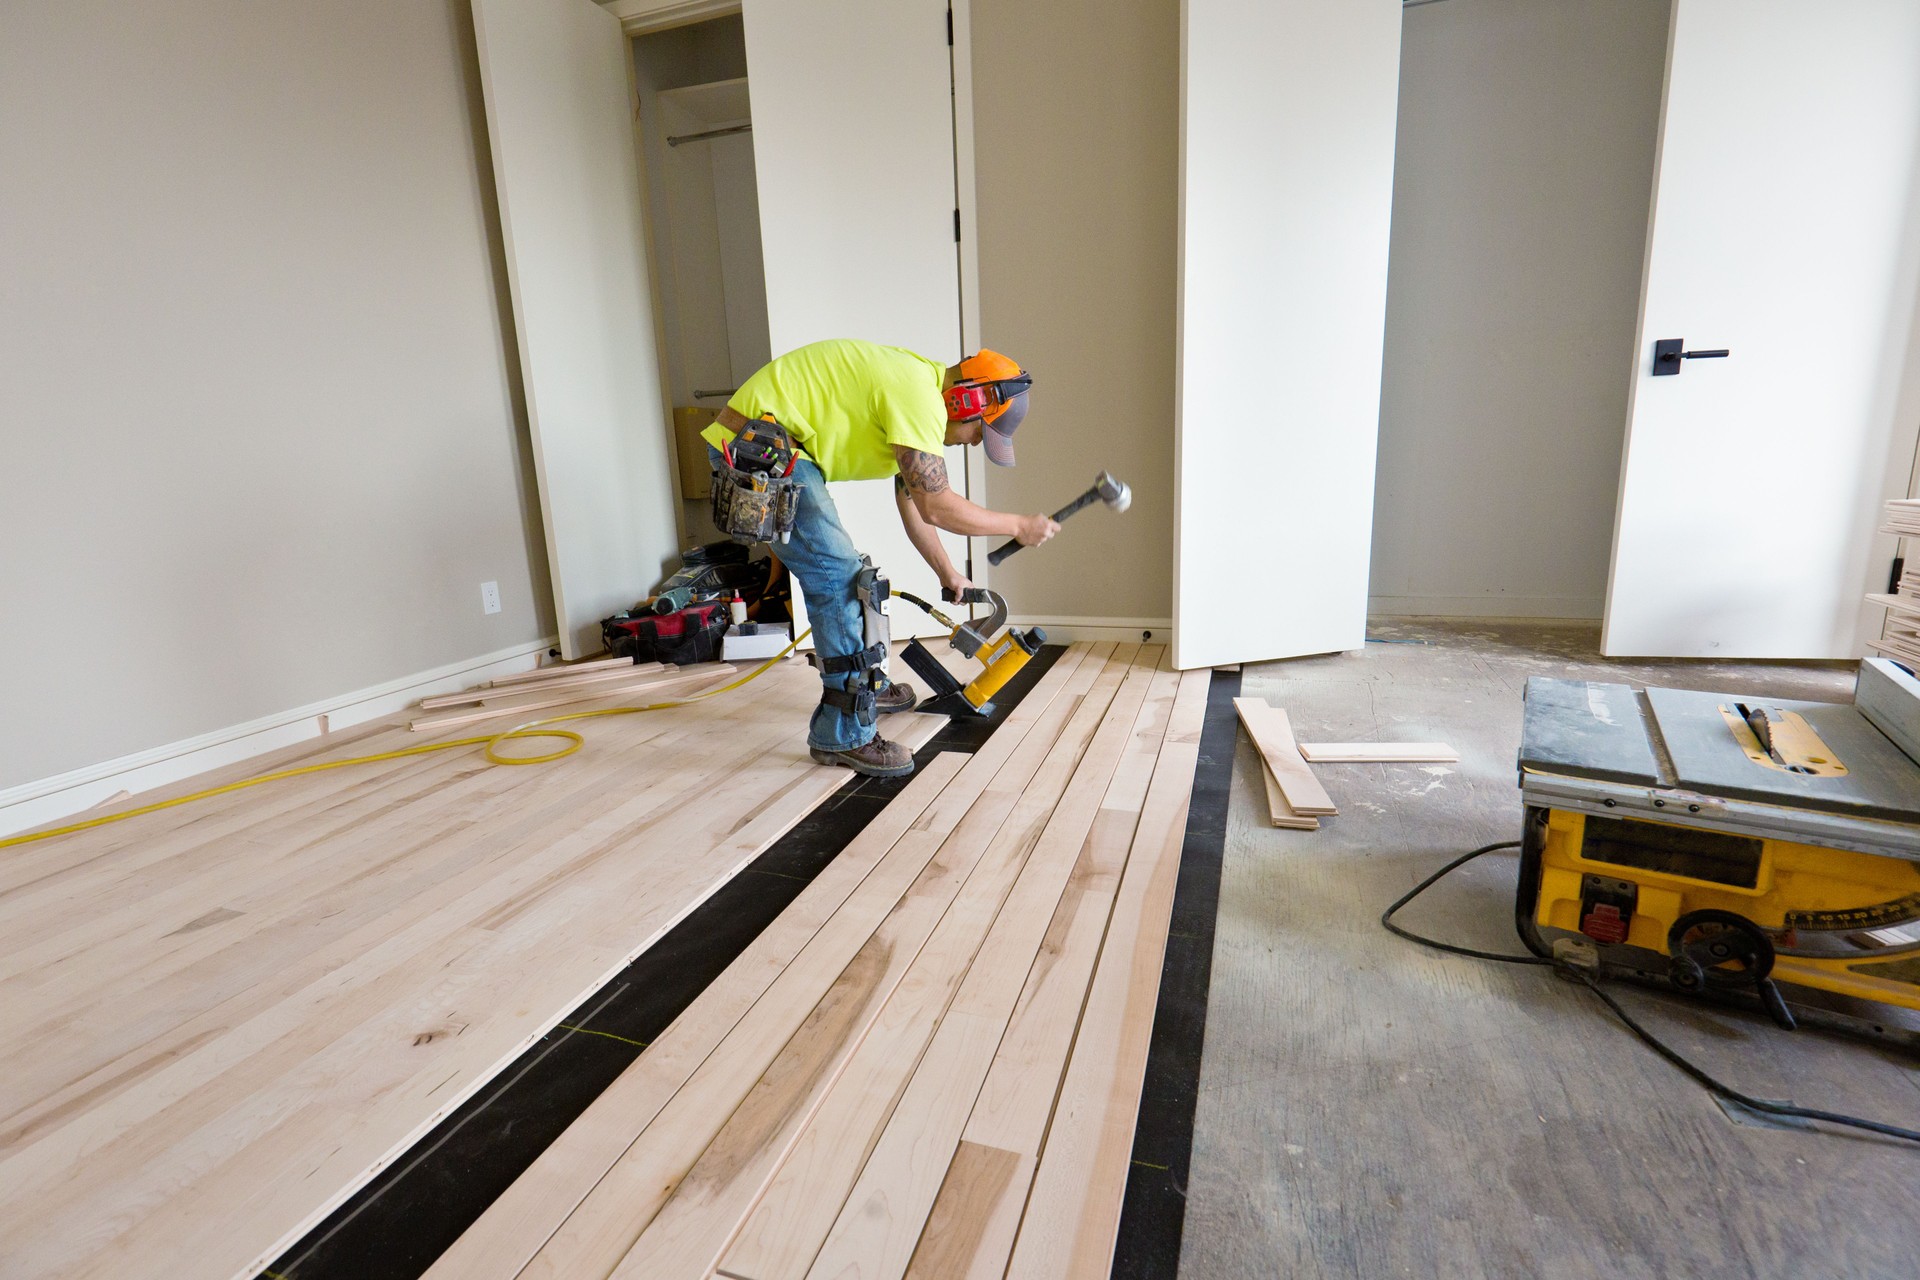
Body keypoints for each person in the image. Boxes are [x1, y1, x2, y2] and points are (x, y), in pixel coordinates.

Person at [703, 338, 1060, 778]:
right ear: (970, 400)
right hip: (760, 449)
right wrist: (1019, 525)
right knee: (838, 578)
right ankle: (844, 732)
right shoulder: (918, 397)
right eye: (978, 434)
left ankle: (865, 687)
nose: (971, 444)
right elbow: (937, 504)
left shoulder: (919, 394)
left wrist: (947, 572)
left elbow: (913, 500)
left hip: (773, 446)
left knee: (854, 576)